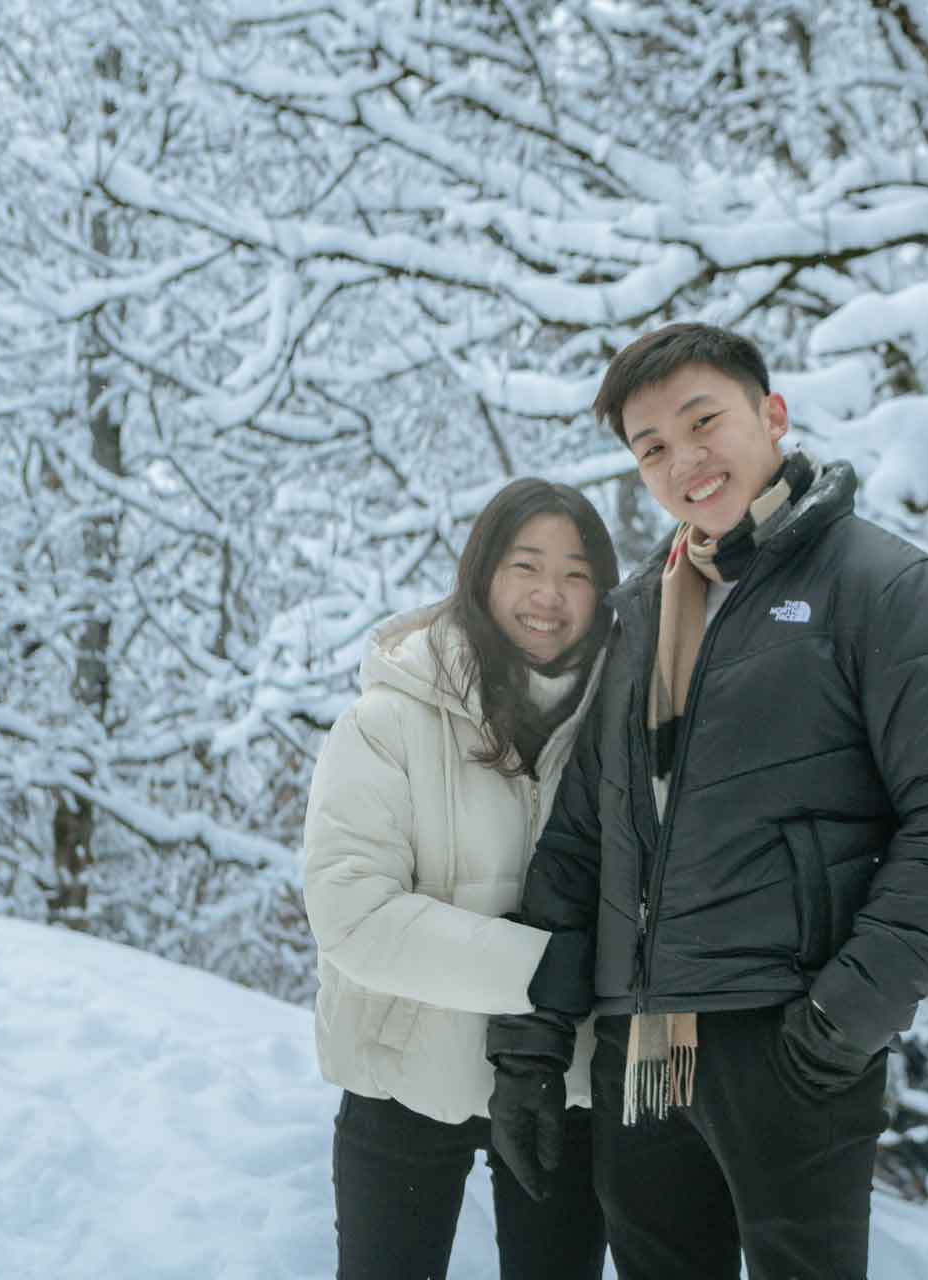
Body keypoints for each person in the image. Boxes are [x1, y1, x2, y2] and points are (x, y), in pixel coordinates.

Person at [486, 324, 928, 1279]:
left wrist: (845, 1018)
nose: (683, 462)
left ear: (771, 416)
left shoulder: (890, 590)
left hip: (785, 1039)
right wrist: (531, 1052)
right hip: (643, 1045)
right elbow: (579, 843)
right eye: (651, 448)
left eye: (704, 424)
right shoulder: (638, 615)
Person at [303, 478, 620, 1280]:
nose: (550, 595)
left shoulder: (625, 724)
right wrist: (541, 970)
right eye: (526, 565)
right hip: (403, 1079)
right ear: (481, 573)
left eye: (578, 572)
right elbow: (354, 916)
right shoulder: (386, 722)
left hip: (568, 1085)